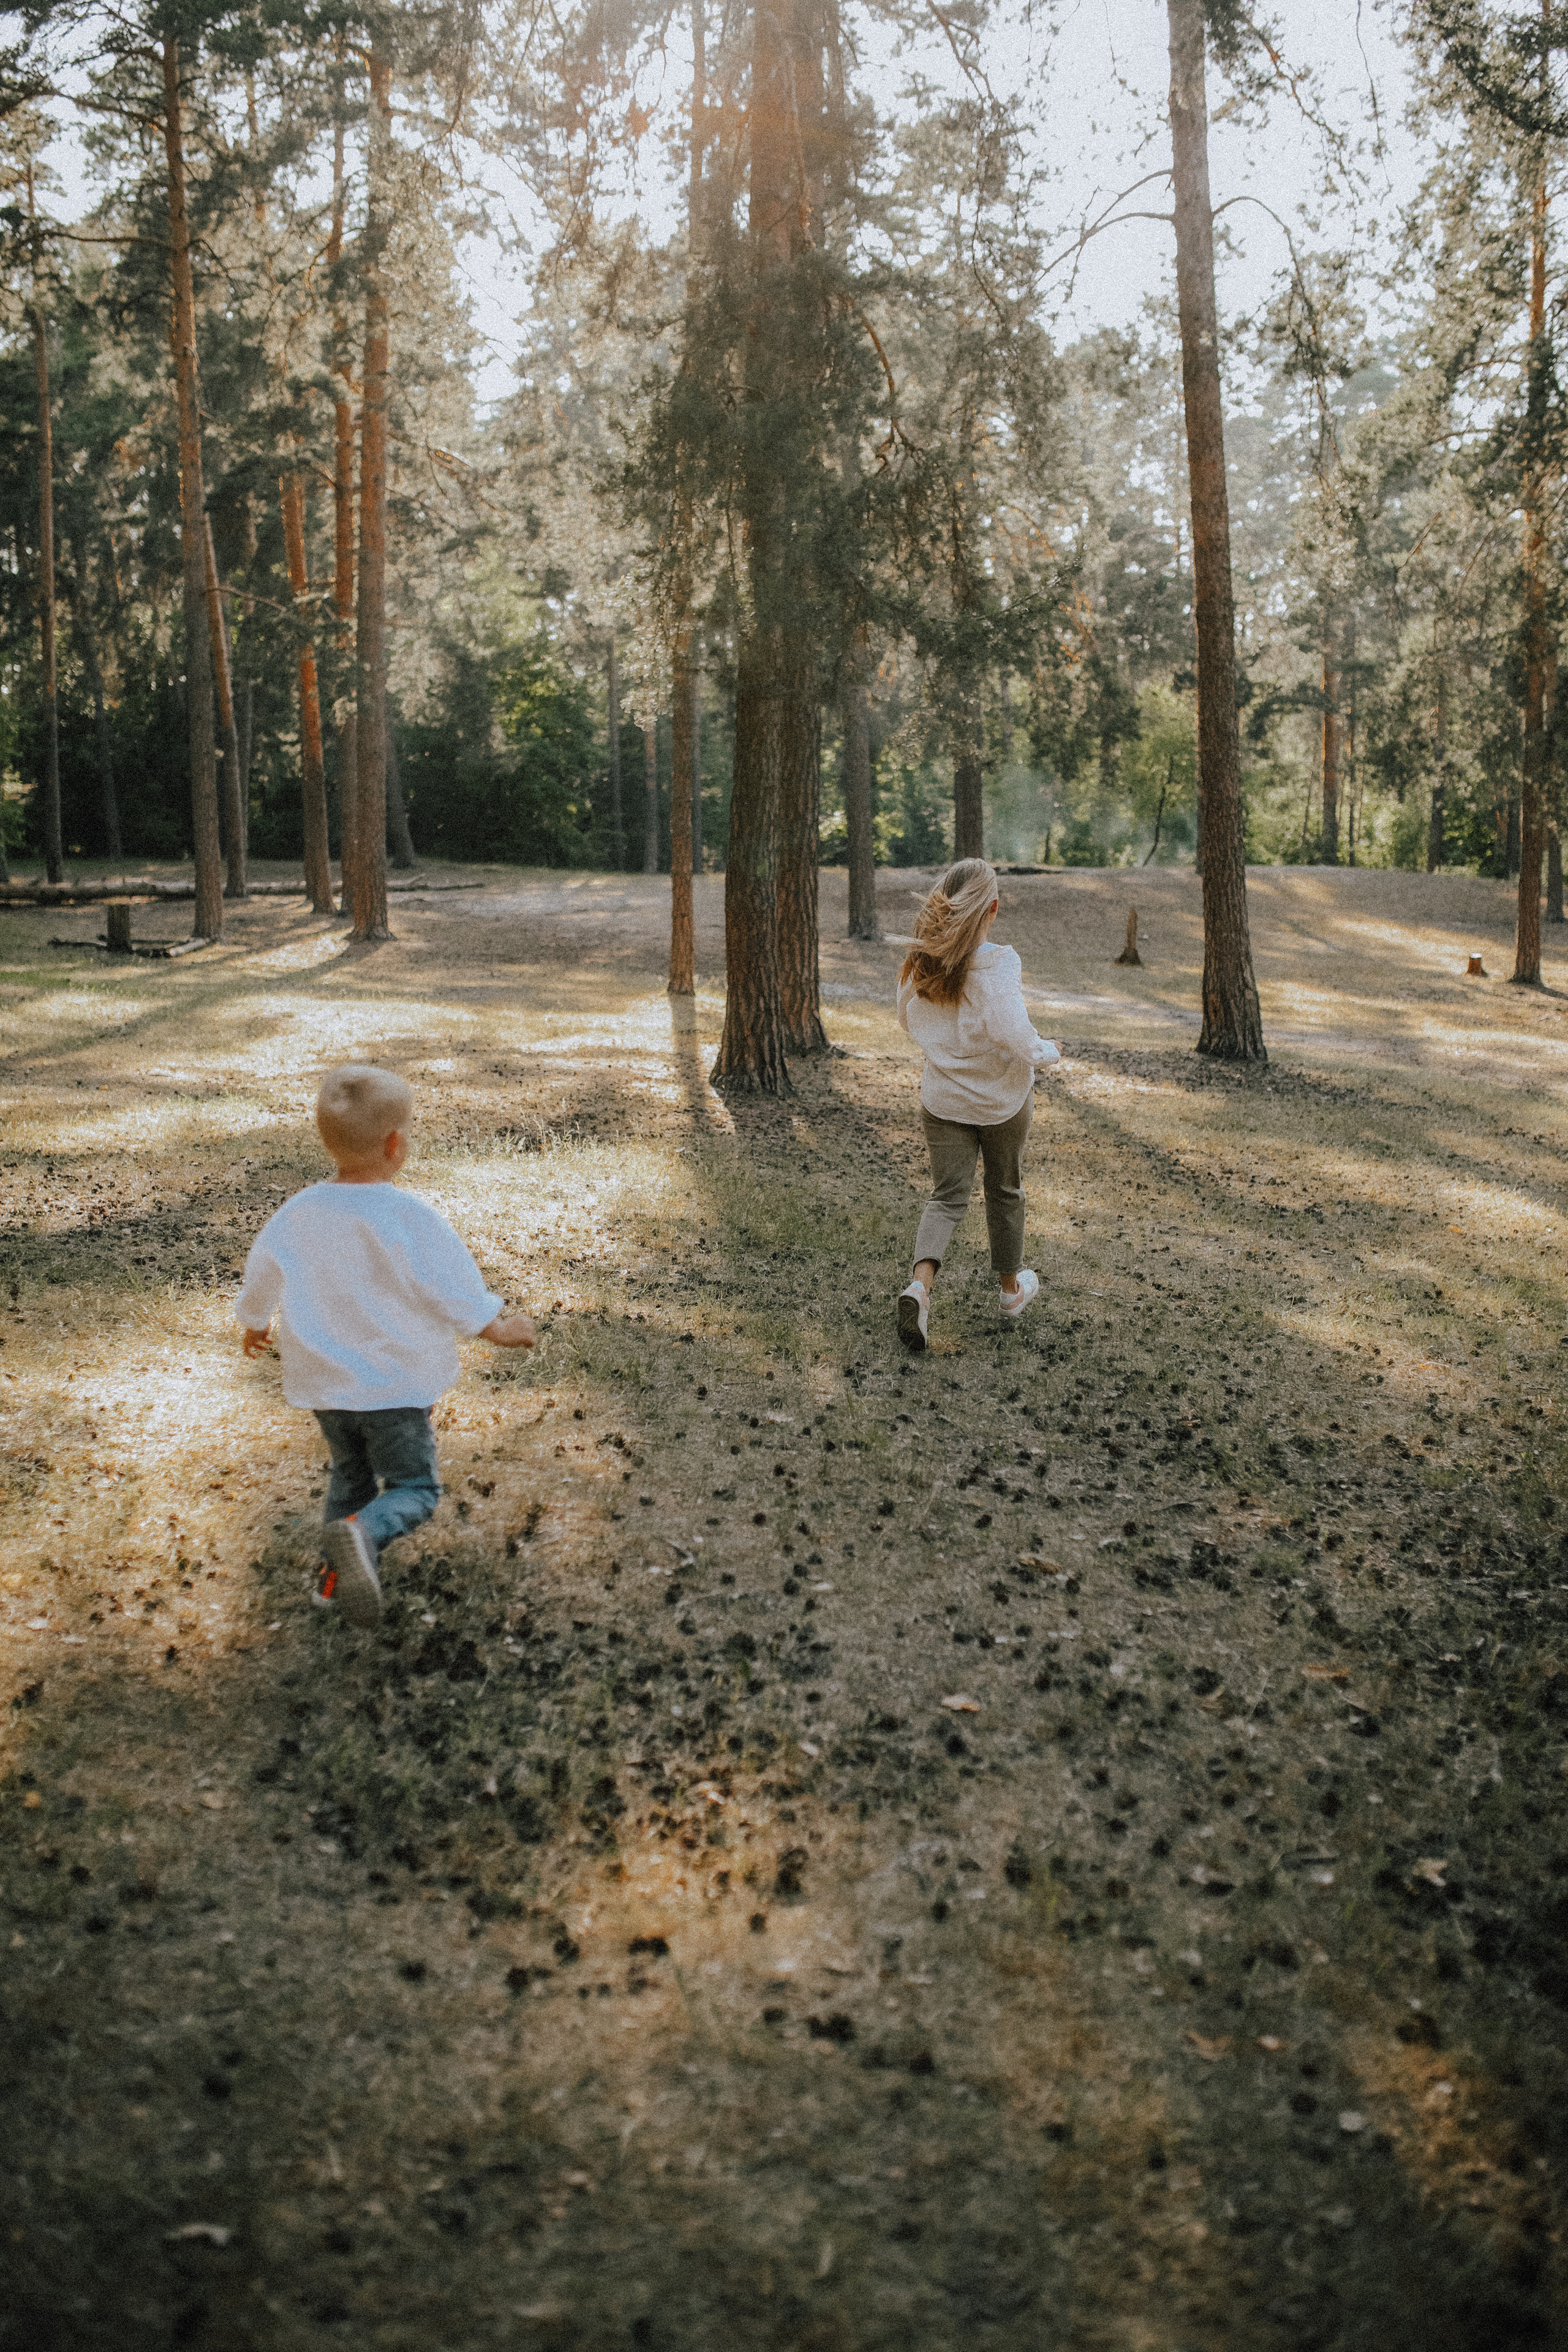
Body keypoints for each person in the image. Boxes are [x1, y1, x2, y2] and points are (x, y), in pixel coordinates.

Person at [236, 1063, 535, 1628]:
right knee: (413, 1488)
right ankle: (361, 1534)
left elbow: (263, 1271)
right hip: (394, 1387)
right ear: (396, 1144)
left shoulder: (298, 1213)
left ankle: (333, 1579)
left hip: (329, 1389)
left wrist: (254, 1320)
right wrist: (496, 1325)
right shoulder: (409, 1217)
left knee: (350, 1476)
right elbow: (451, 1287)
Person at [894, 858, 1060, 1352]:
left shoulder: (923, 961)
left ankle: (920, 1287)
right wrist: (1045, 1051)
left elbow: (907, 1018)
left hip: (943, 1100)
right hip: (1003, 1103)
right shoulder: (998, 963)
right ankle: (1011, 1292)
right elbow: (1013, 1030)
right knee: (1004, 1189)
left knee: (947, 1196)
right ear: (993, 908)